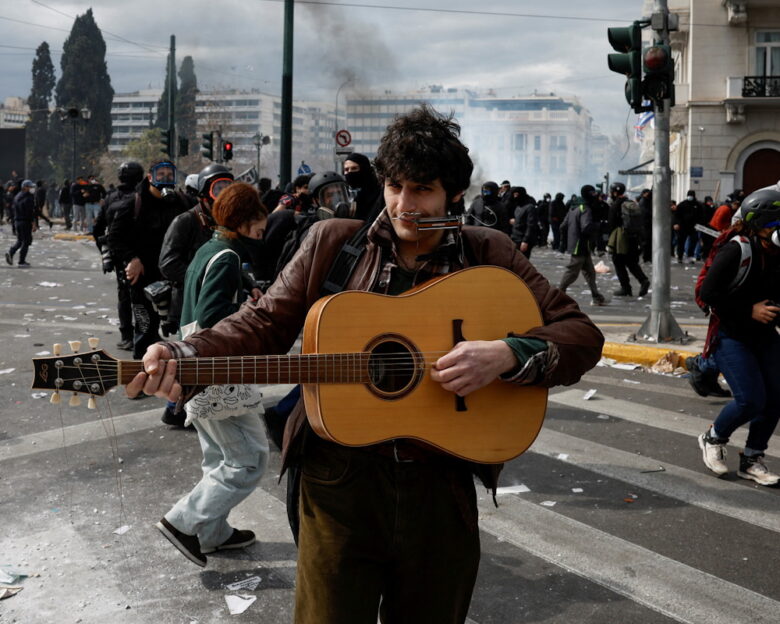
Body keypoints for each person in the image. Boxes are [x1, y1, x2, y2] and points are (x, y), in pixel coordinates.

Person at [126, 104, 604, 623]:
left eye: (422, 189)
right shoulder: (334, 244)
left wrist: (506, 354)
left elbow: (580, 335)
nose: (404, 204)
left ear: (454, 195)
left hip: (441, 485)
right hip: (339, 483)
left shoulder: (488, 254)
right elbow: (261, 321)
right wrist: (184, 352)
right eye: (395, 186)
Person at [154, 182, 270, 567]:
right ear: (244, 220)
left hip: (198, 360)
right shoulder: (227, 256)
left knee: (219, 455)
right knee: (250, 458)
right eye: (259, 218)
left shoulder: (209, 247)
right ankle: (183, 522)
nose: (264, 224)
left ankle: (213, 532)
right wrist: (248, 308)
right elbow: (212, 317)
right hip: (216, 364)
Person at [697, 187, 780, 486]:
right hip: (731, 335)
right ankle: (713, 438)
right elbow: (709, 295)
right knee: (750, 400)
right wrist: (750, 310)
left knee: (775, 398)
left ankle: (752, 458)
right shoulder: (737, 249)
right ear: (762, 226)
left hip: (764, 335)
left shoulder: (776, 254)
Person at [158, 163, 235, 427]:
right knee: (190, 356)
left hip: (214, 299)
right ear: (204, 194)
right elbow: (167, 263)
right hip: (188, 301)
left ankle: (186, 407)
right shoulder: (185, 221)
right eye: (218, 190)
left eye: (229, 189)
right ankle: (175, 406)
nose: (224, 197)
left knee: (208, 355)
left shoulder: (223, 223)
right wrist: (198, 279)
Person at [108, 159, 188, 360]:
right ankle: (140, 376)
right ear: (150, 177)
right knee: (144, 327)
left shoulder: (183, 202)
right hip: (143, 277)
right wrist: (131, 259)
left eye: (170, 175)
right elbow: (114, 238)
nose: (166, 179)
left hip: (175, 278)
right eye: (161, 174)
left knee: (184, 328)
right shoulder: (134, 203)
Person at [94, 162, 145, 353]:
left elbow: (98, 228)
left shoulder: (110, 198)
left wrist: (106, 253)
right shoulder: (143, 198)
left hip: (119, 255)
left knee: (124, 295)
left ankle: (127, 336)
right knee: (142, 296)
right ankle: (144, 333)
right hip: (141, 255)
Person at [558, 185, 606, 306]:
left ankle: (596, 296)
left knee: (590, 272)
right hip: (581, 244)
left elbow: (563, 226)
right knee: (572, 271)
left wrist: (566, 241)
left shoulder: (573, 207)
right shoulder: (586, 208)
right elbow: (586, 227)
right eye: (593, 194)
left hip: (576, 243)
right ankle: (558, 294)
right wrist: (598, 226)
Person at [607, 182, 650, 297]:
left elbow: (611, 224)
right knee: (632, 262)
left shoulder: (615, 205)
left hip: (620, 239)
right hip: (634, 238)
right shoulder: (631, 202)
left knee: (618, 262)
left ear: (615, 193)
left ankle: (625, 288)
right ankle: (643, 280)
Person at [5, 180, 37, 267]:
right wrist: (33, 223)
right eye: (30, 187)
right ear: (25, 187)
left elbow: (13, 209)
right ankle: (21, 261)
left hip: (17, 221)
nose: (32, 188)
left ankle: (11, 252)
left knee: (20, 240)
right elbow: (30, 211)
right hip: (25, 221)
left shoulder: (17, 196)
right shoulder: (29, 198)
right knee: (26, 241)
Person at [342, 152, 381, 221]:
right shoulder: (344, 194)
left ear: (365, 169)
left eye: (354, 168)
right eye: (346, 170)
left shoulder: (379, 193)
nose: (349, 172)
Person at [509, 186, 538, 258]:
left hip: (523, 240)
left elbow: (531, 225)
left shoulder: (530, 207)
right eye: (514, 195)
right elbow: (520, 220)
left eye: (516, 194)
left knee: (522, 262)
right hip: (515, 238)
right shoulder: (518, 207)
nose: (515, 197)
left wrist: (525, 241)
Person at [673, 190, 701, 264]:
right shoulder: (682, 204)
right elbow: (676, 215)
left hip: (693, 227)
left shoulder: (697, 205)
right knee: (681, 242)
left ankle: (690, 256)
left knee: (693, 241)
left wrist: (699, 224)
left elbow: (701, 215)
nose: (690, 197)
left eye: (691, 195)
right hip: (683, 226)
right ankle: (680, 257)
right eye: (689, 195)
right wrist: (676, 223)